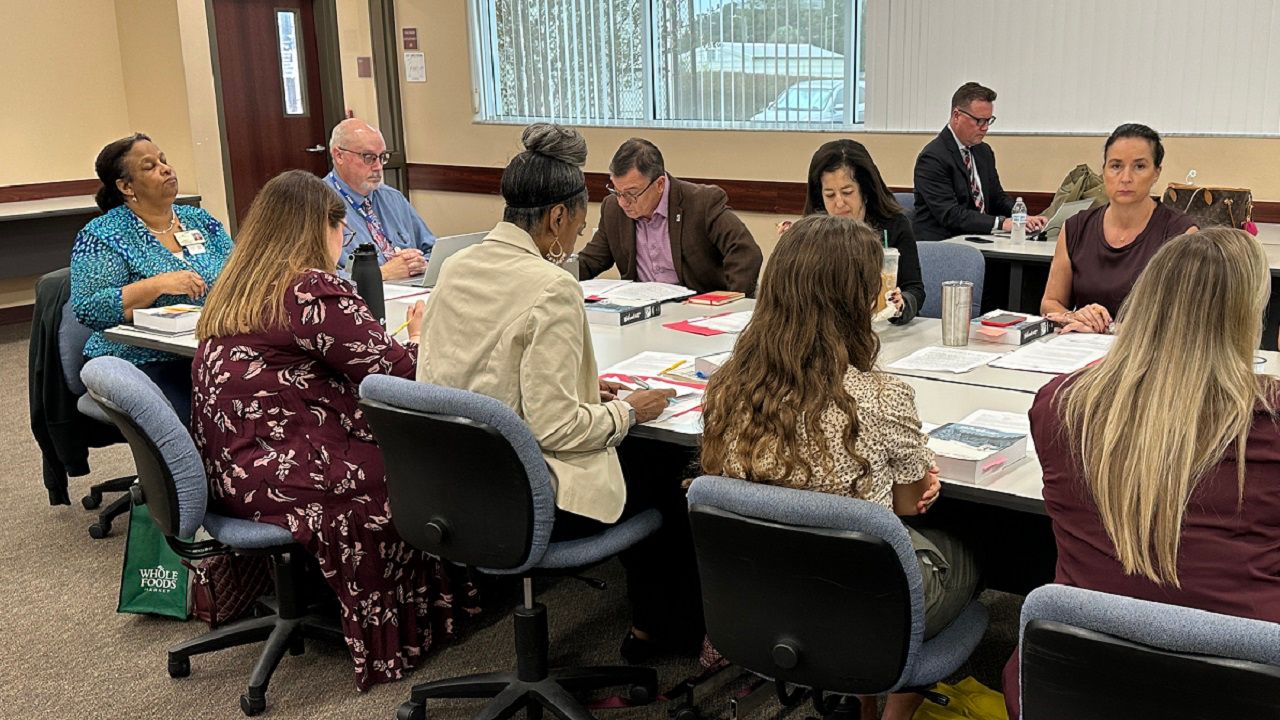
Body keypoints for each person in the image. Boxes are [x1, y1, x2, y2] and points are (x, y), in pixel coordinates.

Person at [418, 124, 706, 661]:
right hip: (525, 498)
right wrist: (624, 410)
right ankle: (662, 636)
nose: (577, 236)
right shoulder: (552, 287)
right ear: (556, 218)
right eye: (578, 221)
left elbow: (469, 376)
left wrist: (578, 385)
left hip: (455, 487)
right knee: (663, 469)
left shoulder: (455, 269)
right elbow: (558, 430)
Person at [191, 170, 477, 690]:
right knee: (421, 462)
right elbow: (399, 372)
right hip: (291, 473)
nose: (343, 240)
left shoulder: (237, 283)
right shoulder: (308, 288)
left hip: (236, 469)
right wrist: (420, 334)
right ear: (317, 228)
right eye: (340, 228)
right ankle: (412, 624)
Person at [700, 215, 979, 720]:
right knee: (969, 553)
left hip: (761, 592)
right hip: (862, 606)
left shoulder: (726, 387)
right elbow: (910, 505)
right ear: (857, 297)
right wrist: (915, 478)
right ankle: (894, 705)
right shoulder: (880, 396)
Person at [1002, 228, 1280, 719]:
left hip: (1076, 676)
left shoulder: (1060, 407)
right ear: (1249, 319)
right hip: (1239, 685)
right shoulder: (1269, 424)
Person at [71, 133, 232, 422]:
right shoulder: (104, 234)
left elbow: (237, 274)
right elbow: (89, 308)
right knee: (205, 414)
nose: (166, 168)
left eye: (164, 161)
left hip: (207, 348)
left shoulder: (200, 220)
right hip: (140, 357)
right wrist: (157, 284)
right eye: (149, 166)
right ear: (125, 186)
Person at [1040, 123, 1198, 333]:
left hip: (1146, 355)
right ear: (1103, 171)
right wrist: (1074, 316)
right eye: (1115, 166)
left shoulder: (1181, 234)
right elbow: (1050, 303)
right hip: (1082, 350)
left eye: (1139, 166)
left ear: (1156, 173)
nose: (1125, 178)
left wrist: (1109, 328)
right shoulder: (1075, 228)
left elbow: (1184, 320)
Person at [578, 137, 763, 295]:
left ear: (659, 184)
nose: (623, 202)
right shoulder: (613, 209)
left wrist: (730, 303)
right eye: (616, 191)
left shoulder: (702, 202)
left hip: (696, 311)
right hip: (642, 315)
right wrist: (554, 278)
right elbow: (591, 260)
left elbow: (745, 252)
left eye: (631, 193)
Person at [804, 139, 925, 324]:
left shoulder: (893, 225)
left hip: (883, 331)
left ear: (865, 191)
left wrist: (901, 304)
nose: (839, 203)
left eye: (847, 192)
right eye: (829, 195)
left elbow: (914, 289)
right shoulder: (812, 232)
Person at [912, 82, 1047, 243]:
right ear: (957, 116)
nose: (985, 128)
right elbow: (951, 215)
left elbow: (997, 198)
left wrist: (1022, 218)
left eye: (988, 121)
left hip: (979, 239)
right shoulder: (933, 158)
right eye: (979, 121)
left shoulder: (983, 152)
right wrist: (1001, 223)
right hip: (943, 245)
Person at [325, 118, 435, 280]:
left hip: (411, 290)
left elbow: (433, 250)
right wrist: (381, 274)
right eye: (368, 157)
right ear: (339, 155)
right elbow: (314, 277)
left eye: (382, 157)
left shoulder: (392, 198)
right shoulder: (316, 204)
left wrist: (421, 263)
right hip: (359, 299)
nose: (378, 167)